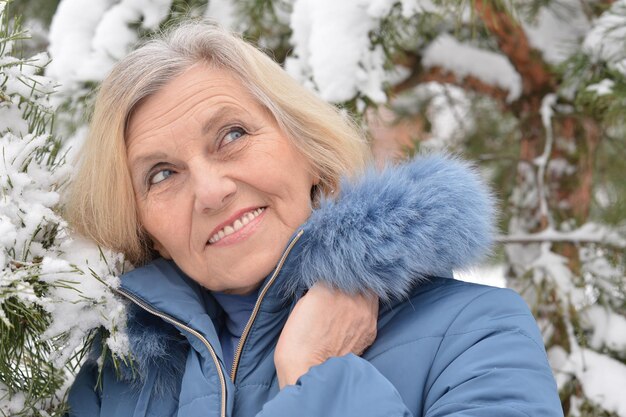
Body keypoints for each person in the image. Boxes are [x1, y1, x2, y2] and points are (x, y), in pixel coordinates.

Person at [65, 21, 564, 417]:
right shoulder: (113, 380)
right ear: (144, 228)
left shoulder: (476, 331)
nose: (211, 192)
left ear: (308, 149)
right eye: (161, 174)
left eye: (232, 134)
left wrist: (315, 372)